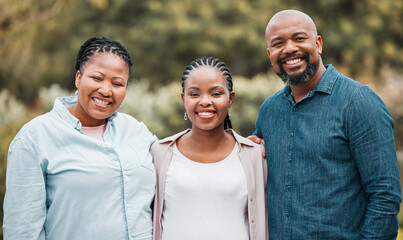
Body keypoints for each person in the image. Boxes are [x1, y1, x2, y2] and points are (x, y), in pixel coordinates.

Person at [250, 9, 401, 239]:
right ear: (270, 54)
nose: (289, 48)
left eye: (299, 38)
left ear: (318, 44)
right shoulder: (269, 111)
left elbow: (385, 197)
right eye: (279, 43)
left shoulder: (358, 102)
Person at [3, 36, 156, 240]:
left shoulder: (136, 131)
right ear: (78, 78)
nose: (106, 90)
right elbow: (22, 231)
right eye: (97, 78)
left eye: (117, 83)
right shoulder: (35, 138)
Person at [151, 56, 268, 240]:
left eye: (216, 94)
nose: (205, 101)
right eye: (195, 94)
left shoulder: (254, 155)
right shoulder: (159, 153)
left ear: (231, 99)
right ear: (183, 99)